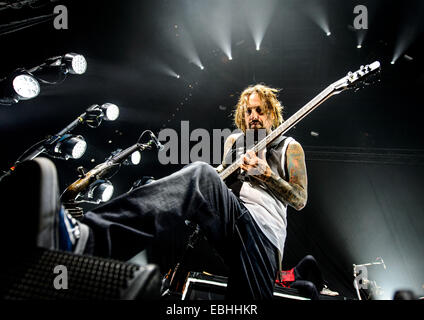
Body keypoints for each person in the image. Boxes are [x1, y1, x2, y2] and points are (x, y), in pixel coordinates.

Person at [6, 84, 308, 300]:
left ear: (272, 114)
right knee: (201, 174)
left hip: (265, 238)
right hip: (234, 222)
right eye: (249, 110)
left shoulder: (289, 147)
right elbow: (217, 180)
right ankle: (88, 239)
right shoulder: (234, 143)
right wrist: (208, 181)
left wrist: (266, 174)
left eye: (260, 111)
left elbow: (299, 199)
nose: (254, 116)